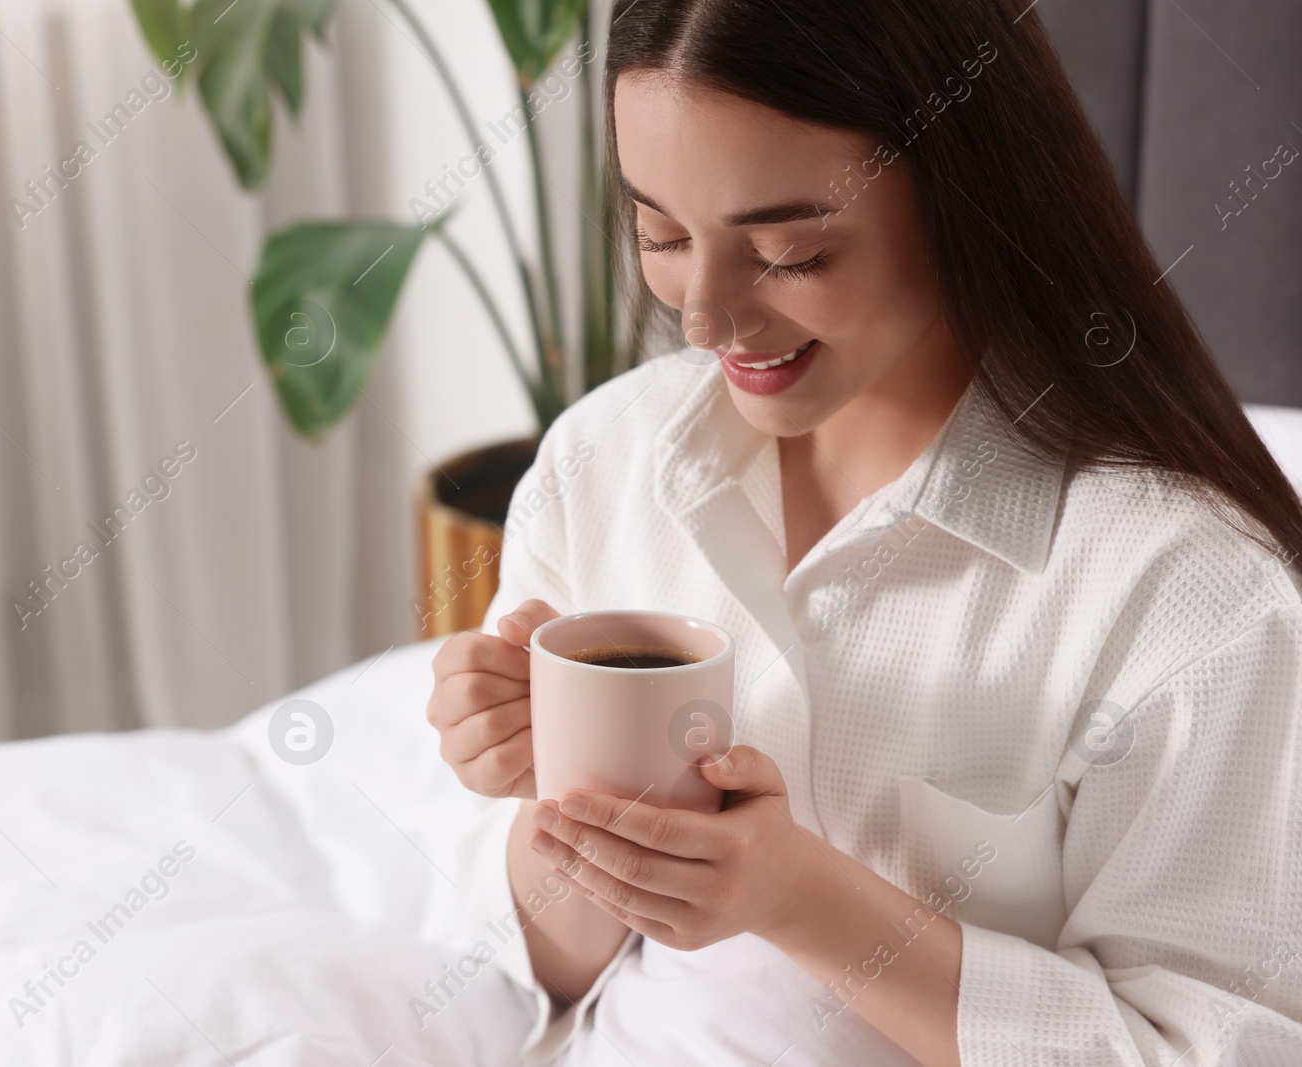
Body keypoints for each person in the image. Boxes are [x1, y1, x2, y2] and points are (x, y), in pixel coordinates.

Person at [426, 0, 1302, 1063]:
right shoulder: (601, 464)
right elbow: (523, 977)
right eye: (660, 233)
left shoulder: (1185, 591)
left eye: (789, 253)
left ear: (966, 198)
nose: (702, 317)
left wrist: (802, 898)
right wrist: (559, 817)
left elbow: (1207, 1046)